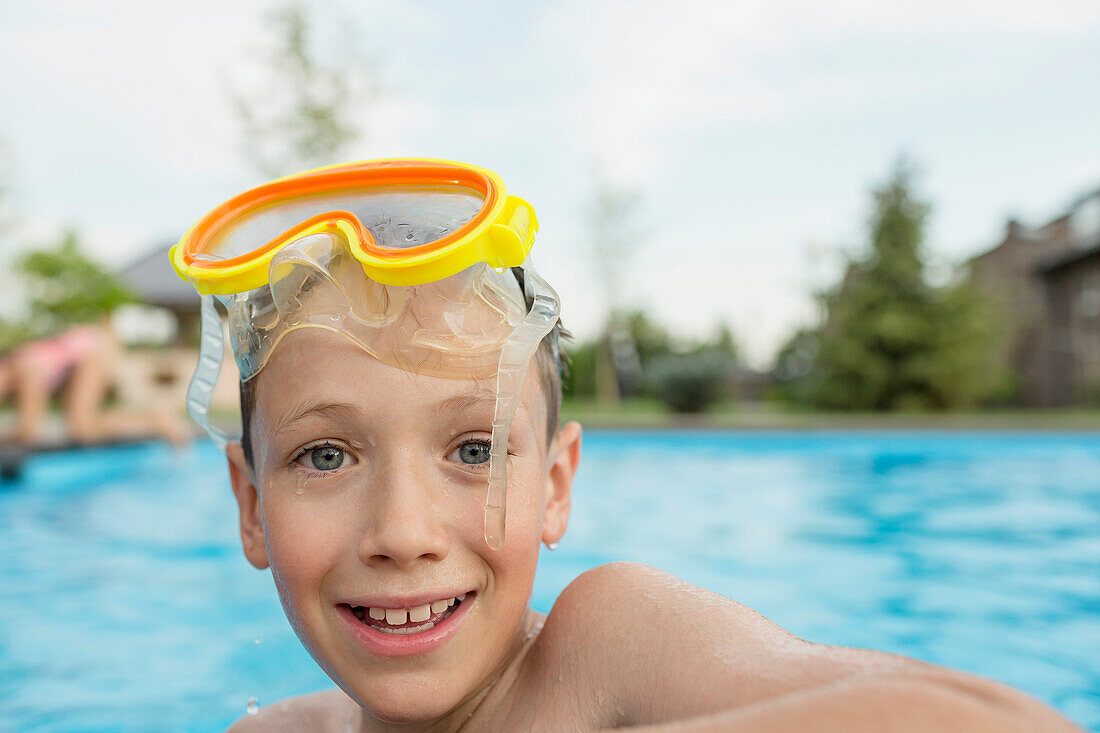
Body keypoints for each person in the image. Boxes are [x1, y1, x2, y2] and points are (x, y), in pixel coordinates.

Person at [170, 159, 1081, 732]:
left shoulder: (604, 651)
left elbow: (986, 716)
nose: (402, 532)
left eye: (476, 449)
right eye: (326, 455)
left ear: (557, 482)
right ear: (251, 504)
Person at [0, 320, 189, 447]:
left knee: (83, 428)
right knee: (82, 425)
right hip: (82, 351)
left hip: (89, 351)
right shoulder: (18, 363)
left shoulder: (28, 369)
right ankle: (154, 418)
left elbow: (28, 431)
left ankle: (156, 419)